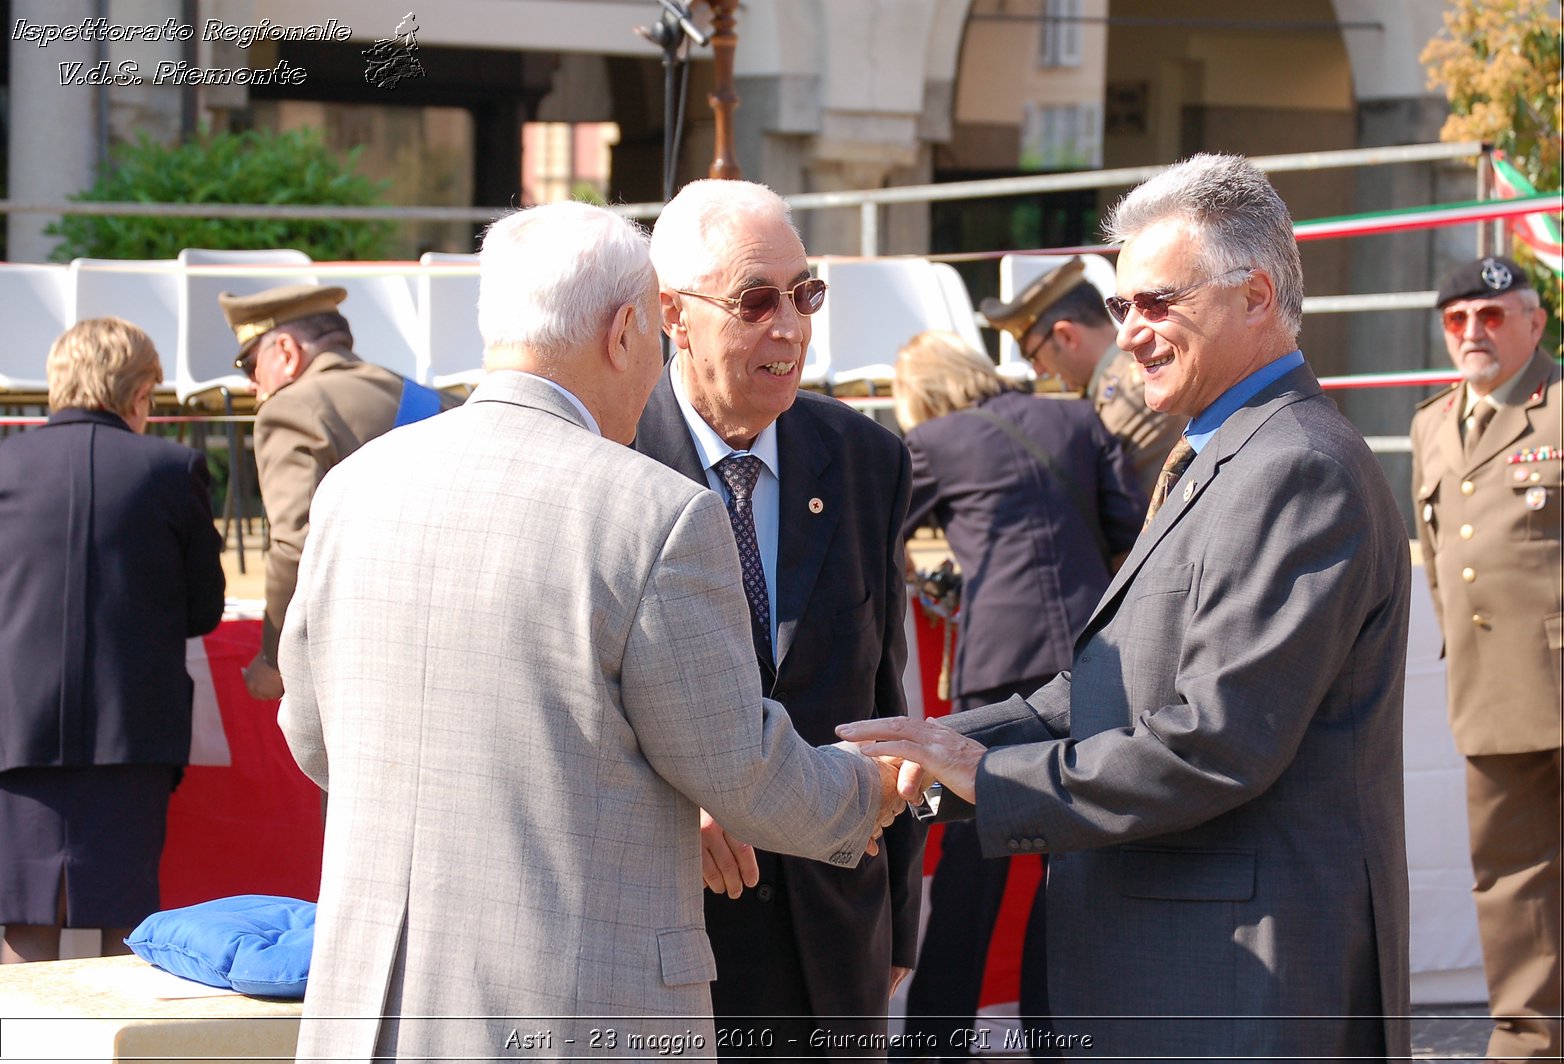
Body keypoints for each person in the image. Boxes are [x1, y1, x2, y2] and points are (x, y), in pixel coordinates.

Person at [277, 201, 906, 1061]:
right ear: (627, 331)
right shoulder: (650, 512)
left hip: (379, 1005)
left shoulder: (355, 485)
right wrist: (873, 793)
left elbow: (316, 739)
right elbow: (738, 767)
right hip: (572, 1007)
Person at [841, 153, 1413, 1061]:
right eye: (1121, 306)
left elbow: (1213, 743)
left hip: (1231, 989)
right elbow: (1099, 694)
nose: (1131, 333)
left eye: (1158, 303)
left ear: (1256, 297)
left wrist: (984, 778)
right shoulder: (1224, 453)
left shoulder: (1296, 467)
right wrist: (924, 756)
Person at [634, 177, 921, 1055]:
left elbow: (884, 692)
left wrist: (897, 923)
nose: (790, 326)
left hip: (833, 938)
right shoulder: (609, 459)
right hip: (673, 937)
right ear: (671, 314)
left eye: (805, 295)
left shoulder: (865, 457)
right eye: (756, 301)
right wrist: (677, 811)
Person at [891, 329, 1142, 1059]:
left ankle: (937, 1038)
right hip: (1100, 661)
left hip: (1002, 666)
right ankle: (1053, 1031)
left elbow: (879, 532)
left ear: (924, 396)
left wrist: (921, 572)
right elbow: (1130, 530)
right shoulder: (1074, 417)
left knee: (973, 865)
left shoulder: (934, 440)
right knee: (1074, 854)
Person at [1410, 255, 1564, 1060]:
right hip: (1491, 691)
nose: (1472, 333)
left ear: (1534, 322)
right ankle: (1530, 1048)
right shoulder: (1430, 424)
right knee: (1513, 890)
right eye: (1457, 320)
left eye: (1490, 316)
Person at [0, 317, 225, 963]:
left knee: (23, 921)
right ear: (138, 393)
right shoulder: (173, 467)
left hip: (14, 728)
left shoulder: (5, 463)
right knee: (124, 920)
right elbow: (203, 610)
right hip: (131, 729)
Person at [217, 283, 459, 701]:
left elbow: (295, 544)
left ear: (287, 353)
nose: (251, 386)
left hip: (362, 655)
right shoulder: (440, 401)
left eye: (250, 366)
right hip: (452, 637)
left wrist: (274, 661)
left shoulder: (289, 409)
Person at [982, 256, 1185, 500]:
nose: (1038, 371)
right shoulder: (1121, 384)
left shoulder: (1131, 395)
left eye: (1033, 355)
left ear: (1066, 336)